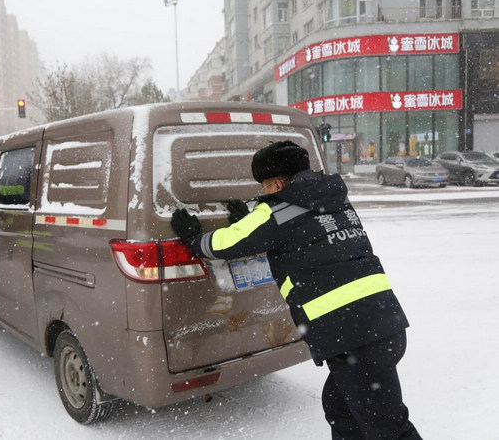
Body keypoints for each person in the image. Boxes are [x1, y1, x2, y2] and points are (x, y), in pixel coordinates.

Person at [171, 140, 421, 439]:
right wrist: (250, 221)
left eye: (264, 186)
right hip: (382, 325)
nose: (263, 193)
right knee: (341, 408)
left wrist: (193, 238)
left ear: (277, 184)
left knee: (388, 429)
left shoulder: (275, 212)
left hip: (353, 336)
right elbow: (303, 238)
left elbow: (225, 244)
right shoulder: (333, 198)